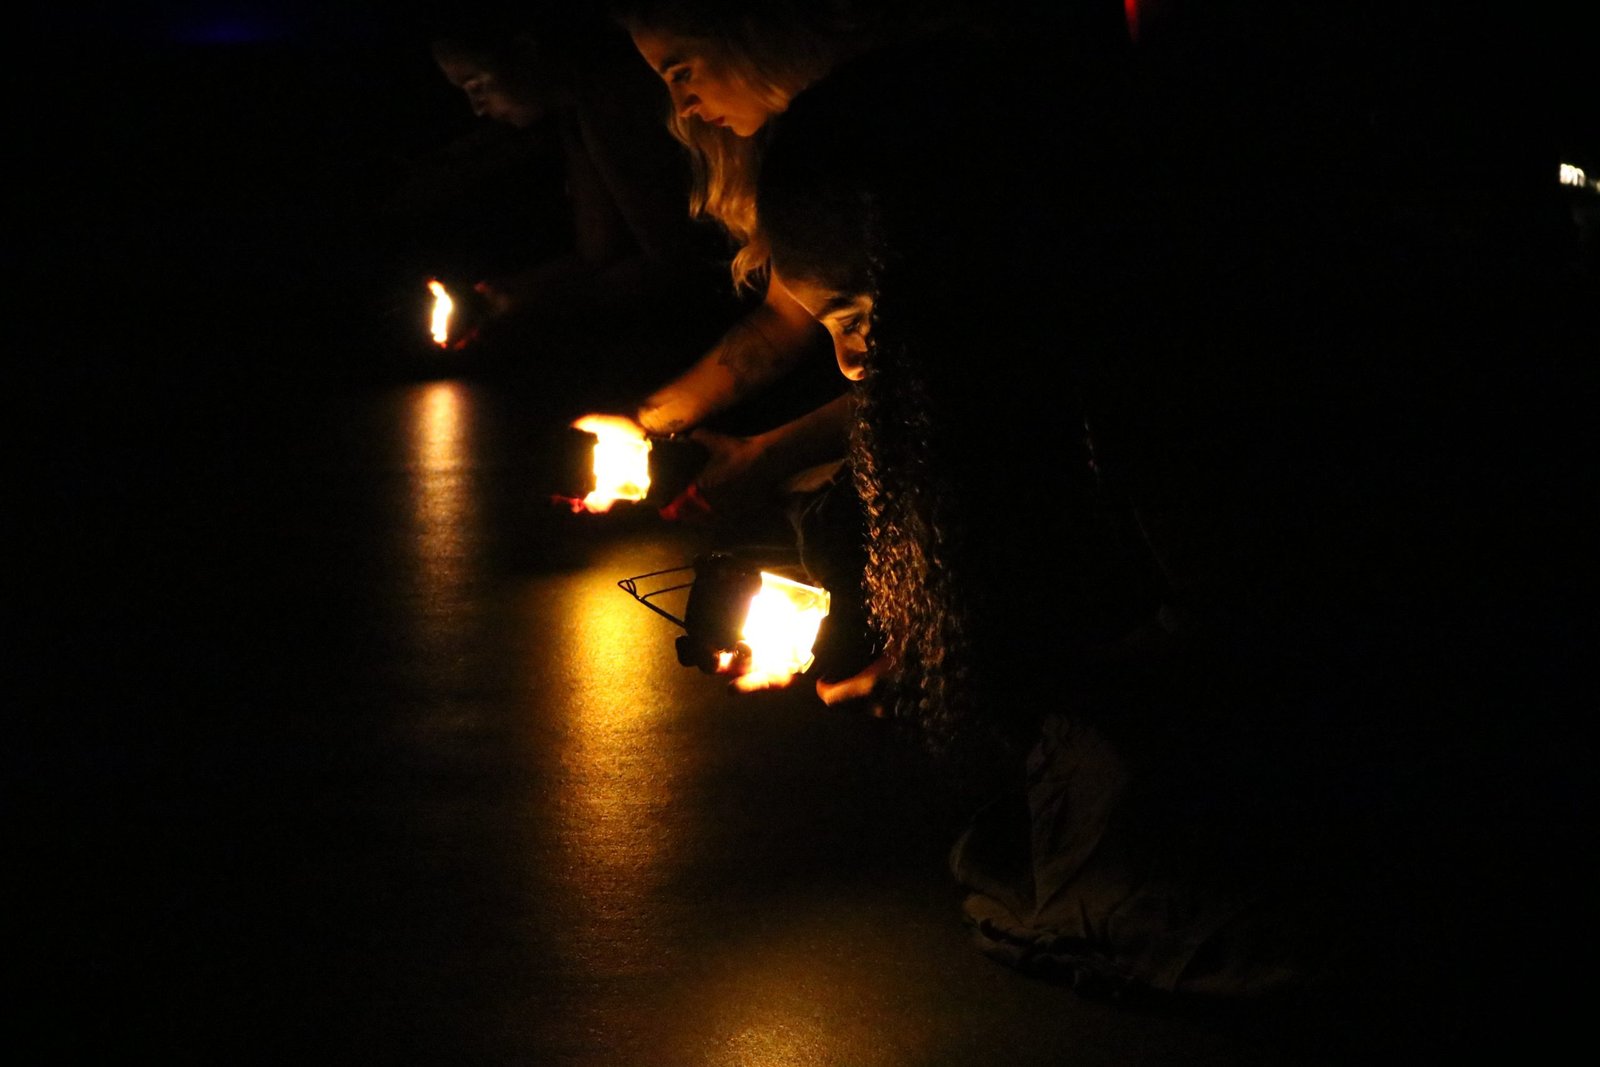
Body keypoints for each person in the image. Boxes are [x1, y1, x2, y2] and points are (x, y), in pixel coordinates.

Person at [404, 2, 743, 407]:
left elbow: (674, 262)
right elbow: (597, 252)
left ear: (526, 51)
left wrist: (540, 309)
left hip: (722, 314)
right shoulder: (577, 116)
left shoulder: (614, 102)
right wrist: (506, 297)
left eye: (477, 85)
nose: (477, 108)